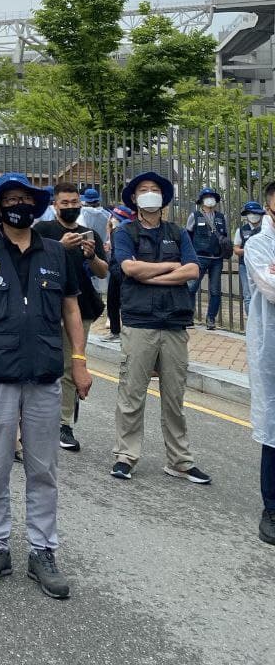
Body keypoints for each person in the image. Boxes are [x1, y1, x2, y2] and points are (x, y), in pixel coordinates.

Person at [0, 173, 89, 600]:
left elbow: (71, 309)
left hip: (45, 375)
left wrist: (81, 363)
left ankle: (42, 550)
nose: (18, 205)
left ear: (37, 206)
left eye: (25, 199)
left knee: (43, 469)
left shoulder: (56, 253)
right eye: (10, 199)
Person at [110, 172, 210, 485]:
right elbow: (129, 267)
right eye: (144, 190)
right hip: (140, 322)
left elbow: (193, 269)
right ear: (135, 198)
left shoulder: (178, 233)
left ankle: (179, 461)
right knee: (132, 393)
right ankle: (126, 456)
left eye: (155, 190)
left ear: (163, 198)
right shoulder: (126, 233)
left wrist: (151, 276)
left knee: (174, 397)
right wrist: (171, 267)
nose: (150, 194)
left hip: (175, 323)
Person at [35, 180, 108, 454]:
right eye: (64, 203)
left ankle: (64, 423)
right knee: (43, 363)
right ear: (54, 205)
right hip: (46, 306)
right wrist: (59, 247)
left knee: (70, 364)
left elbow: (102, 271)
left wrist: (91, 256)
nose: (70, 207)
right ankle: (39, 417)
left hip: (81, 307)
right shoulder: (43, 232)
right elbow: (32, 261)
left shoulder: (89, 234)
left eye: (74, 203)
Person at [244, 180, 275, 544]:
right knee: (274, 429)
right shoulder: (258, 244)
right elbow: (270, 288)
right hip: (271, 348)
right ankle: (271, 507)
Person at [186, 187, 228, 330]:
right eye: (207, 196)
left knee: (215, 290)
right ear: (202, 200)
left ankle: (211, 318)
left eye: (212, 197)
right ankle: (189, 316)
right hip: (199, 257)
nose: (210, 199)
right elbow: (188, 236)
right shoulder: (194, 215)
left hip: (217, 258)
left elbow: (225, 237)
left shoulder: (221, 217)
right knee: (191, 287)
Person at [101, 205, 134, 340]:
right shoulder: (118, 231)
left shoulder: (118, 231)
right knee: (115, 302)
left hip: (119, 271)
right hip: (118, 270)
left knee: (116, 302)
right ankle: (118, 331)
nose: (111, 218)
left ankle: (118, 332)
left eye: (113, 216)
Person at [235, 201, 264, 321]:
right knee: (248, 295)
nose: (253, 215)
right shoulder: (241, 230)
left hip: (262, 266)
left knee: (263, 294)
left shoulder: (266, 229)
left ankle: (263, 320)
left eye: (255, 213)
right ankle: (252, 322)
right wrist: (248, 250)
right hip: (245, 266)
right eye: (250, 213)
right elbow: (236, 250)